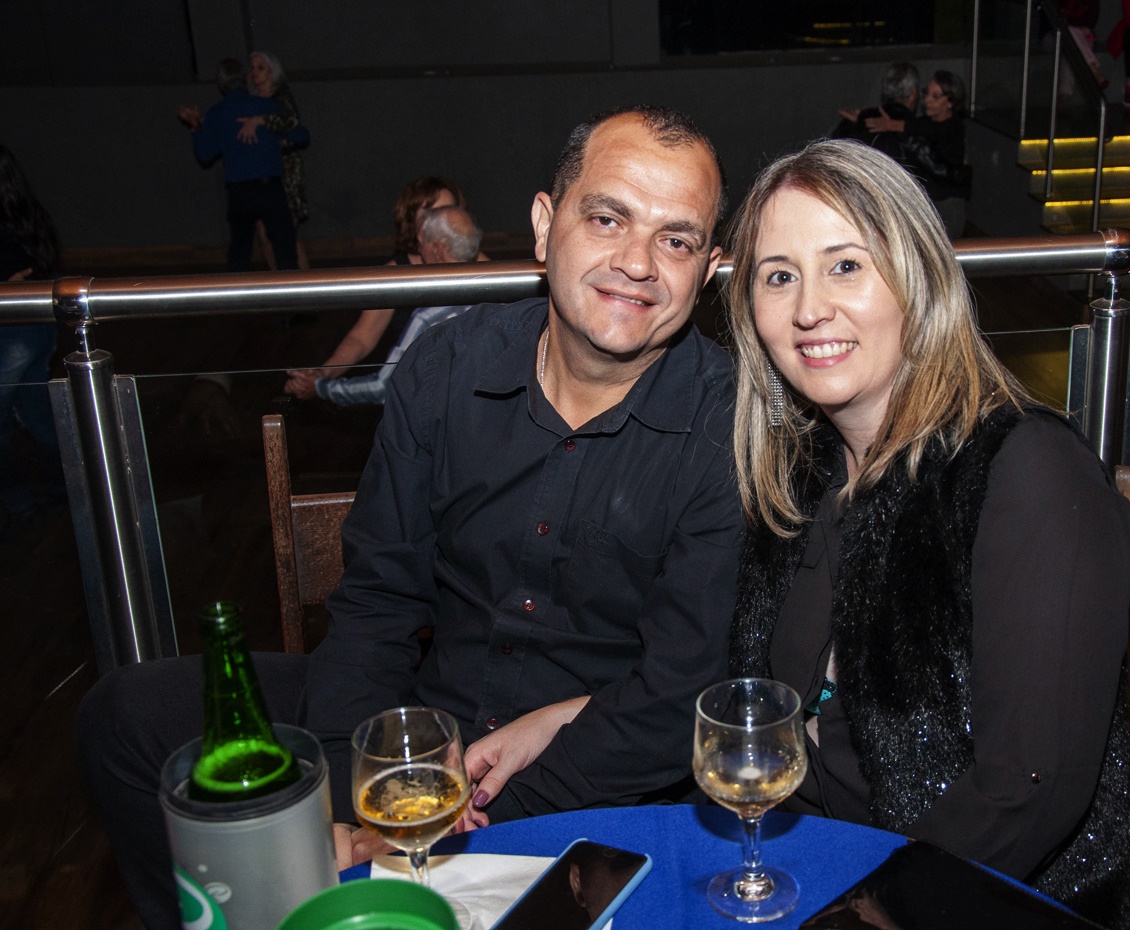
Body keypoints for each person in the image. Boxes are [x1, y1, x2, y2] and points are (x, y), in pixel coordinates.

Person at [77, 104, 739, 930]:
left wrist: (466, 827)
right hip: (421, 726)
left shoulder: (728, 427)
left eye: (676, 240)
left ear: (708, 268)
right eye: (607, 218)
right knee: (128, 716)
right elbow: (377, 605)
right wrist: (360, 798)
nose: (636, 263)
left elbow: (674, 699)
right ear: (545, 226)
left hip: (595, 775)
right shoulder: (447, 368)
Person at [723, 139, 1130, 929]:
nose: (809, 308)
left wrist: (864, 915)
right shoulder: (801, 473)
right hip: (827, 872)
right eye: (778, 276)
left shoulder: (1026, 469)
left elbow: (1027, 790)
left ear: (918, 277)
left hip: (1000, 904)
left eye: (845, 265)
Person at [283, 176, 480, 399]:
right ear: (413, 222)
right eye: (431, 213)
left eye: (449, 210)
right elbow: (362, 338)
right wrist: (322, 374)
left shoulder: (475, 261)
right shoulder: (395, 273)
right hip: (419, 389)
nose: (442, 219)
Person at [176, 58, 309, 272]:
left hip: (239, 193)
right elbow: (301, 136)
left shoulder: (217, 114)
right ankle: (291, 289)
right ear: (247, 79)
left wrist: (196, 127)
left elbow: (204, 154)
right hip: (269, 189)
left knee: (240, 251)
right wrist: (267, 123)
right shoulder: (267, 107)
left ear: (221, 84)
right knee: (285, 248)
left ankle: (239, 292)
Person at [0, 145, 63, 533]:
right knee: (39, 415)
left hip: (11, 335)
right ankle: (67, 490)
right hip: (40, 327)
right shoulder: (27, 213)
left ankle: (19, 506)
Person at [836, 66, 971, 237]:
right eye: (926, 93)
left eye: (935, 96)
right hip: (932, 206)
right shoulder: (924, 123)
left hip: (946, 207)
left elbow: (939, 163)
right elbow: (917, 127)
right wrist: (864, 118)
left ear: (950, 102)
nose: (927, 100)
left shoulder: (952, 127)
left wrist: (889, 125)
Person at [242, 50, 311, 270]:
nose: (255, 72)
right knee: (263, 233)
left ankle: (306, 284)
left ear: (272, 72)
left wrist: (261, 120)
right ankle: (277, 282)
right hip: (260, 174)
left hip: (284, 172)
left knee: (287, 234)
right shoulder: (249, 101)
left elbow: (291, 122)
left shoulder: (281, 99)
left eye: (260, 67)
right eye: (252, 68)